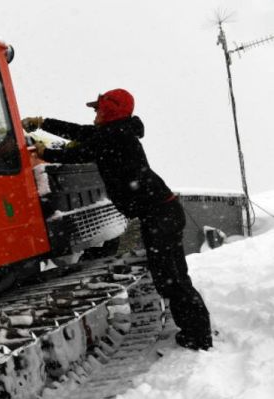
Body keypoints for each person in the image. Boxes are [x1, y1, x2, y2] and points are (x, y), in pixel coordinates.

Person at [22, 88, 213, 350]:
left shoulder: (114, 137)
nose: (94, 114)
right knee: (174, 277)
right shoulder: (116, 132)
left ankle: (198, 337)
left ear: (108, 110)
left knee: (171, 279)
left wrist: (46, 153)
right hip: (162, 212)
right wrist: (44, 122)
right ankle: (197, 330)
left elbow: (79, 152)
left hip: (159, 215)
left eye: (98, 109)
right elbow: (81, 133)